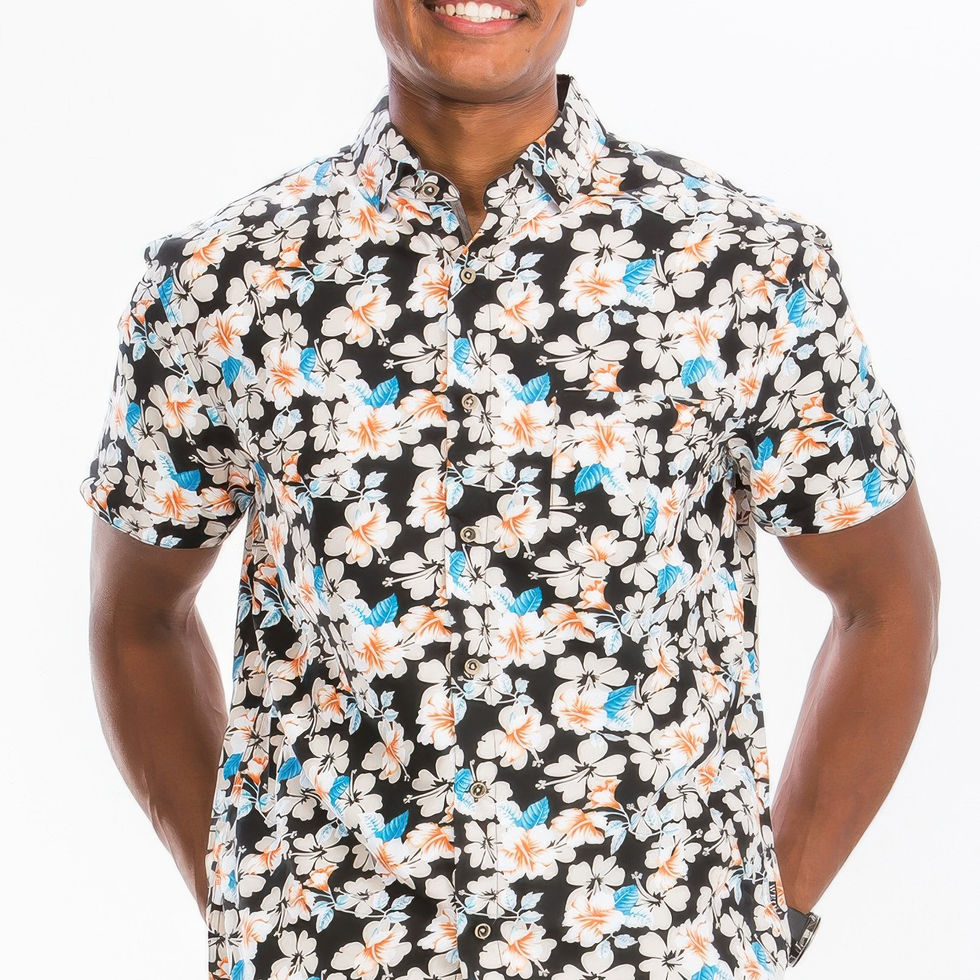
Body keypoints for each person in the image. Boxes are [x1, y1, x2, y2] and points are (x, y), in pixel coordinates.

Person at [78, 2, 940, 978]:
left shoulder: (744, 270)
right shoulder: (221, 282)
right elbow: (138, 617)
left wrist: (763, 916)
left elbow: (887, 596)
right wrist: (253, 909)